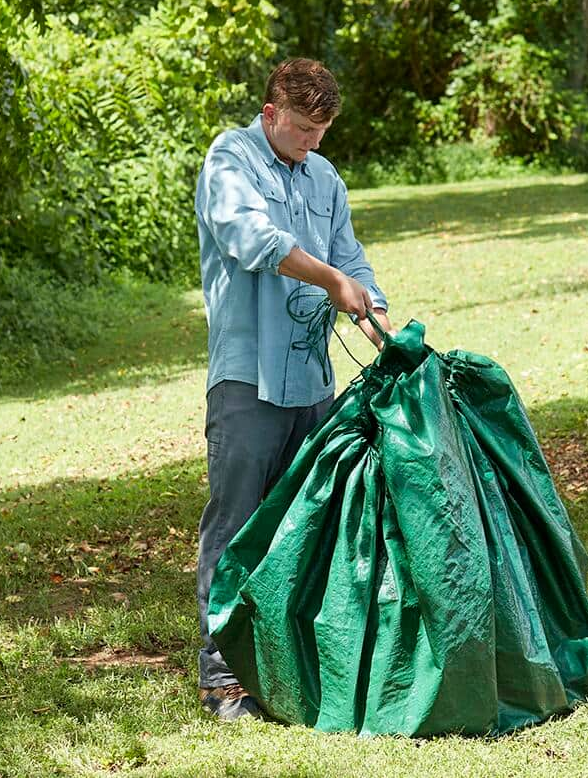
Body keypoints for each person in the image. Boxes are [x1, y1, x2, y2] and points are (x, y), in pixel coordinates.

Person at [192, 58, 391, 720]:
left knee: (305, 524)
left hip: (312, 383)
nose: (313, 143)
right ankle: (223, 679)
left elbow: (351, 258)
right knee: (239, 521)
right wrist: (331, 282)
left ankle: (288, 666)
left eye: (323, 131)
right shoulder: (231, 159)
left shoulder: (325, 177)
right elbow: (253, 238)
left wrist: (377, 317)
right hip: (249, 380)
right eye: (304, 129)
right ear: (271, 113)